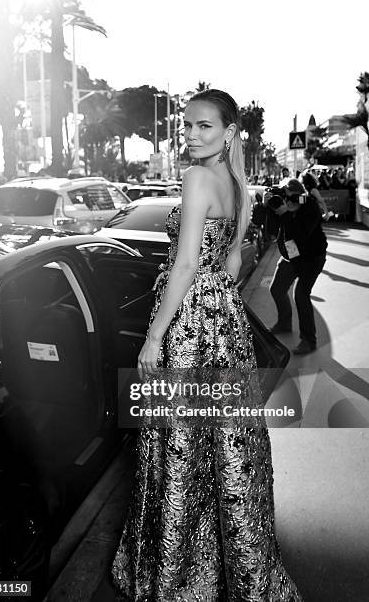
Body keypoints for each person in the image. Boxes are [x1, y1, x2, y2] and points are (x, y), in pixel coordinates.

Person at [110, 90, 303, 600]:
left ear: (228, 131)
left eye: (203, 127)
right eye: (187, 126)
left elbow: (187, 264)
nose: (191, 135)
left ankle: (182, 574)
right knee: (228, 444)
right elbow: (233, 266)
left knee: (181, 442)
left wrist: (156, 335)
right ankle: (236, 566)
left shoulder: (198, 178)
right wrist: (219, 304)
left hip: (191, 324)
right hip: (225, 322)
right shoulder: (238, 185)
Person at [268, 179, 327, 355]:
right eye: (284, 198)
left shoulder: (309, 207)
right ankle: (285, 323)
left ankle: (309, 340)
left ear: (298, 196)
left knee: (301, 295)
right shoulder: (284, 205)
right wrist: (268, 209)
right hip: (292, 255)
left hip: (311, 258)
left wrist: (285, 213)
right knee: (277, 289)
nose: (286, 201)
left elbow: (299, 236)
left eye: (290, 198)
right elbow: (271, 230)